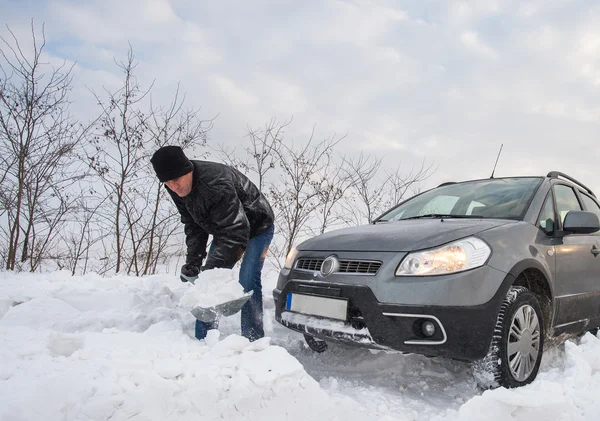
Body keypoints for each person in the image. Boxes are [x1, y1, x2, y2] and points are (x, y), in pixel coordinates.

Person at [150, 145, 275, 341]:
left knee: (247, 277)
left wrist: (211, 271)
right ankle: (204, 339)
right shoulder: (176, 188)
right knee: (207, 279)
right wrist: (194, 261)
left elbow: (236, 231)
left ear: (187, 170)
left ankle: (253, 340)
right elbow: (193, 224)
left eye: (176, 180)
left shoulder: (216, 184)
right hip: (225, 228)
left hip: (258, 226)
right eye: (167, 183)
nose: (173, 187)